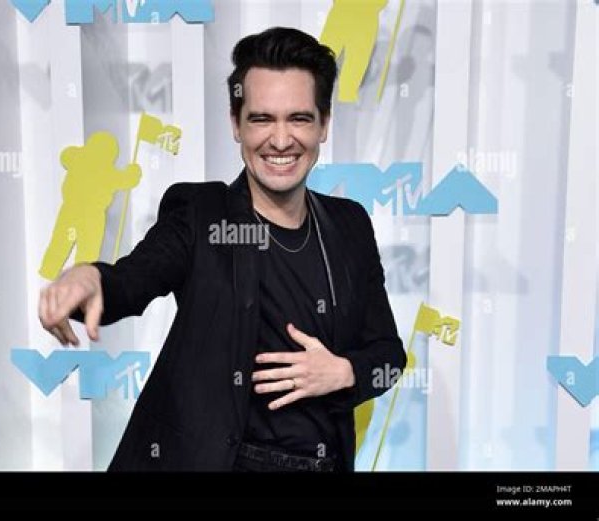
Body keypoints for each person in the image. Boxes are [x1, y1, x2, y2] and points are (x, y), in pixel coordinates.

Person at [38, 27, 406, 472]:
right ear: (236, 124)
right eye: (261, 119)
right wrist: (91, 278)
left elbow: (388, 354)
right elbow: (132, 279)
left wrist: (343, 372)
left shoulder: (349, 225)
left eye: (299, 118)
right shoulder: (201, 215)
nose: (281, 140)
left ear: (324, 124)